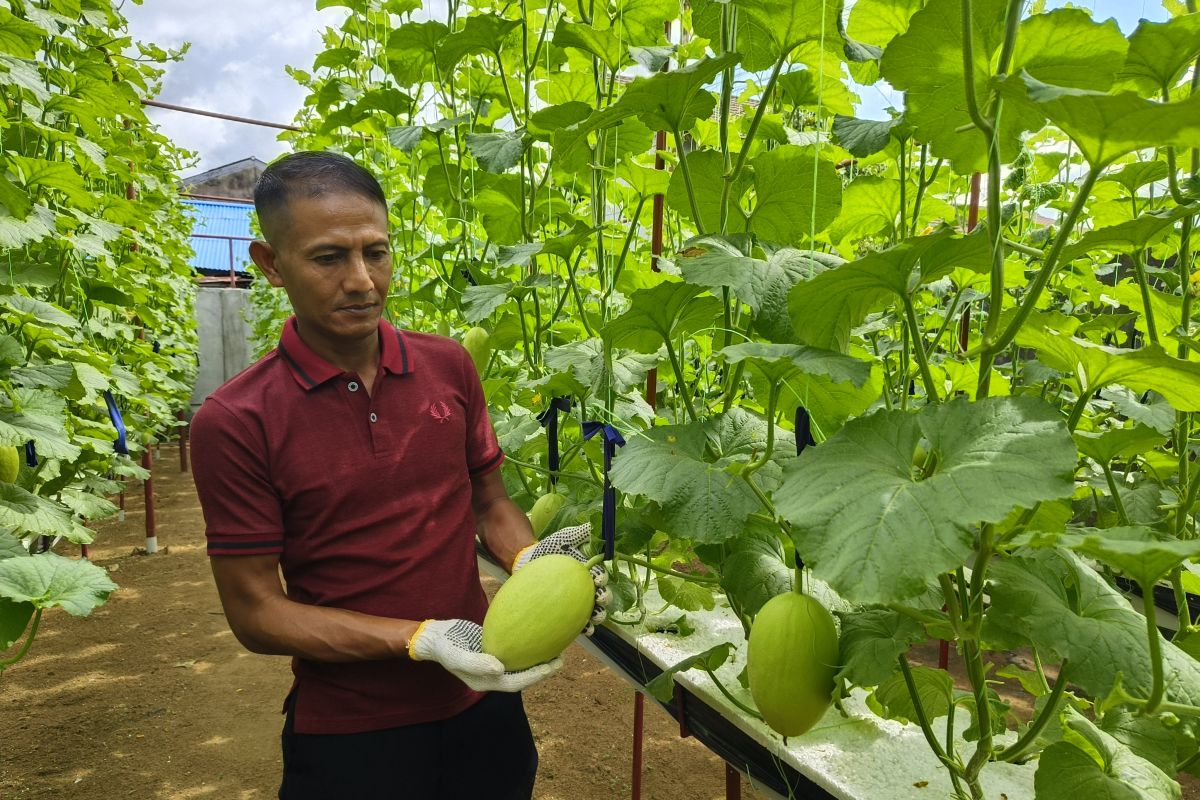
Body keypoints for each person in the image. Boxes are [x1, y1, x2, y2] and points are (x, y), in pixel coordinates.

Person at [189, 150, 609, 800]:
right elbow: (256, 611)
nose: (361, 280)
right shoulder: (235, 420)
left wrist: (533, 564)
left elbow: (488, 502)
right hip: (351, 738)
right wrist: (417, 640)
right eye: (329, 258)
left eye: (376, 253)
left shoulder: (449, 367)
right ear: (270, 264)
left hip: (484, 707)